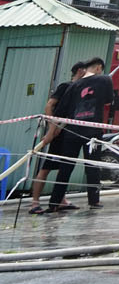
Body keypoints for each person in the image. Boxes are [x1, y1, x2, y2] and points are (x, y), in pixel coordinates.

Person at [38, 57, 113, 213]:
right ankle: (94, 201)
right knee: (92, 166)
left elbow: (60, 112)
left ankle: (54, 202)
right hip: (92, 132)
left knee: (66, 167)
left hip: (72, 132)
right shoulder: (105, 79)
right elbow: (108, 101)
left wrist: (50, 133)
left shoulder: (74, 85)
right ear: (98, 68)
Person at [28, 62, 86, 214]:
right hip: (58, 133)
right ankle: (34, 203)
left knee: (64, 168)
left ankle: (61, 200)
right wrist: (52, 128)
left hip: (70, 133)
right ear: (80, 71)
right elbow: (49, 105)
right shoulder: (65, 86)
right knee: (47, 167)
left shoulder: (82, 90)